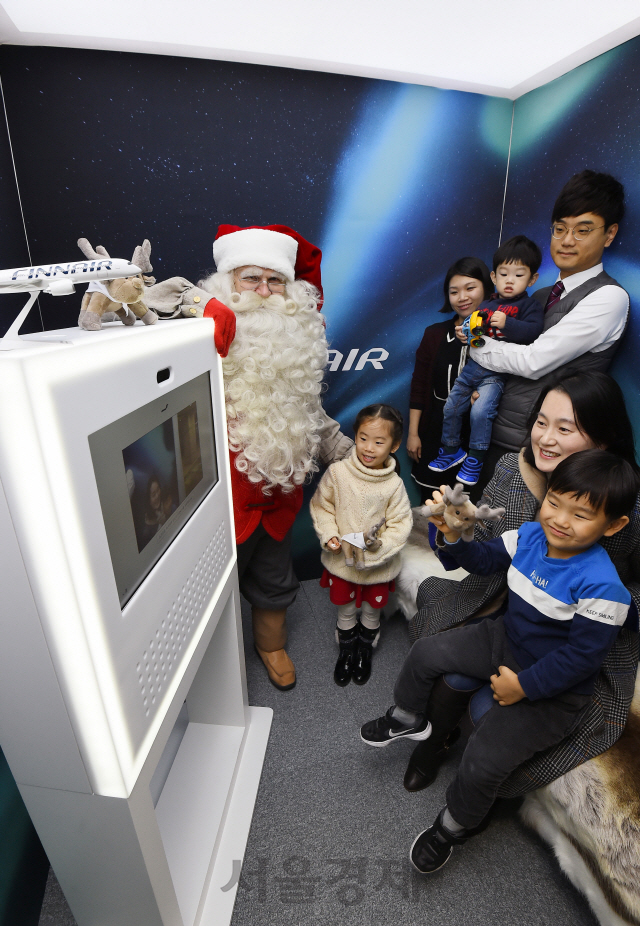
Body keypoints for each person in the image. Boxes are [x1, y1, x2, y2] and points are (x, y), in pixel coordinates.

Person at [361, 449, 638, 874]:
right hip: (504, 638)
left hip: (553, 691)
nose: (560, 519)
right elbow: (485, 561)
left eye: (580, 515)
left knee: (484, 759)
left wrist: (523, 686)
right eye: (554, 502)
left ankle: (454, 827)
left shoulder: (605, 587)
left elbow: (581, 660)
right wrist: (453, 537)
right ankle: (406, 717)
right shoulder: (529, 535)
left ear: (614, 524)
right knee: (426, 651)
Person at [405, 371, 640, 797]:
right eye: (541, 422)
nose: (545, 439)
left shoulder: (628, 502)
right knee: (446, 669)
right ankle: (433, 744)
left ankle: (474, 796)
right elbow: (483, 555)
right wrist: (454, 529)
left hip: (577, 632)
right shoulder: (514, 468)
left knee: (489, 710)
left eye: (565, 428)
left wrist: (608, 606)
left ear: (603, 441)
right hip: (498, 599)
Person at [147, 225, 352, 690]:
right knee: (205, 594)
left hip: (277, 499)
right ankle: (211, 670)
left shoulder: (291, 348)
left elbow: (307, 412)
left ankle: (271, 645)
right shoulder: (199, 335)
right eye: (251, 280)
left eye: (274, 281)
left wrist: (342, 449)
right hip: (214, 505)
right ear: (226, 283)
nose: (264, 293)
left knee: (274, 581)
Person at [467, 170, 629, 486]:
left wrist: (475, 346)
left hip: (541, 454)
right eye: (559, 229)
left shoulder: (609, 297)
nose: (567, 241)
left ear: (609, 234)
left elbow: (532, 362)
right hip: (490, 438)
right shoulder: (537, 296)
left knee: (517, 535)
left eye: (583, 230)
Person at [310, 405, 412, 686]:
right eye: (363, 438)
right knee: (344, 606)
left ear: (395, 445)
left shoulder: (394, 485)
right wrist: (329, 534)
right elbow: (323, 506)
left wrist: (378, 549)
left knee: (371, 608)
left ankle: (364, 648)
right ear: (355, 435)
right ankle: (346, 649)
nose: (369, 448)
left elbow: (401, 525)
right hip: (342, 563)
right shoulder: (338, 473)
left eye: (379, 442)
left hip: (378, 566)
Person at [428, 236, 542, 486]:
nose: (510, 281)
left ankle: (476, 458)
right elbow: (474, 334)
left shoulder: (530, 306)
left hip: (495, 375)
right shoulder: (487, 304)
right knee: (451, 407)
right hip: (472, 369)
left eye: (519, 275)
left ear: (532, 279)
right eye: (504, 274)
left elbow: (534, 334)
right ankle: (451, 450)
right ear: (493, 277)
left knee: (480, 413)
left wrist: (508, 323)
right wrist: (464, 334)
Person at [408, 257, 493, 502]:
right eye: (454, 291)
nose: (462, 297)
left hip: (477, 436)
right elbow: (419, 385)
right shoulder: (434, 334)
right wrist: (414, 433)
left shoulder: (499, 335)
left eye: (470, 288)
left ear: (487, 287)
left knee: (468, 510)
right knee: (432, 504)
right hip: (436, 432)